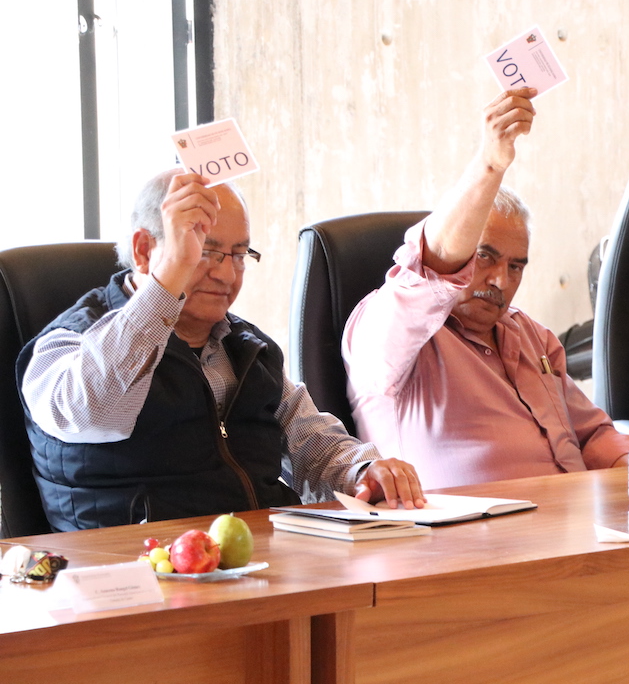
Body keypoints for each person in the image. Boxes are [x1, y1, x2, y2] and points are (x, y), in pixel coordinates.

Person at [18, 170, 425, 532]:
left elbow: (312, 444)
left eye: (239, 255)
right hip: (135, 571)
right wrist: (168, 280)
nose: (227, 274)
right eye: (205, 251)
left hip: (257, 561)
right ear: (144, 251)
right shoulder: (66, 343)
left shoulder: (245, 347)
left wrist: (363, 470)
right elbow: (90, 411)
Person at [341, 87, 629, 488]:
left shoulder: (533, 338)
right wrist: (490, 164)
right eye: (484, 257)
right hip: (465, 526)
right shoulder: (392, 335)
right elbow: (432, 265)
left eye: (516, 266)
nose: (500, 280)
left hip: (577, 515)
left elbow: (592, 435)